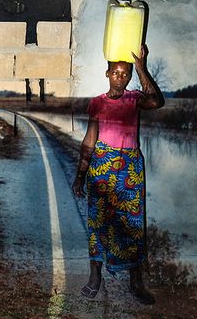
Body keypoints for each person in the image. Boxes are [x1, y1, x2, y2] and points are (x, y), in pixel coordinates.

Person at [71, 45, 164, 304]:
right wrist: (80, 174)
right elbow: (89, 141)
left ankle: (136, 282)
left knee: (132, 224)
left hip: (130, 169)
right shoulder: (98, 103)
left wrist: (142, 67)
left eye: (126, 74)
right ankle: (95, 276)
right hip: (102, 166)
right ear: (107, 74)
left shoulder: (134, 99)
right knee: (98, 222)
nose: (121, 77)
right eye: (116, 73)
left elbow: (156, 100)